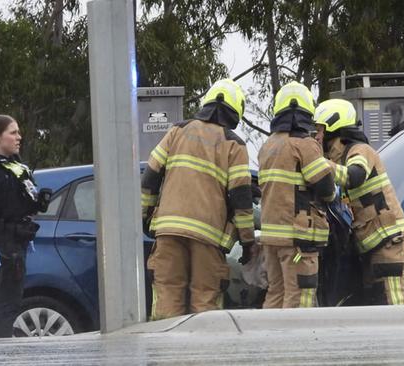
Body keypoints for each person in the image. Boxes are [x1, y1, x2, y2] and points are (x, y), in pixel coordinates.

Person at [141, 79, 255, 320]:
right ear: (235, 112)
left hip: (169, 232)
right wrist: (248, 243)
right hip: (208, 237)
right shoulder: (234, 144)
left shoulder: (177, 131)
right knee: (205, 305)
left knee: (167, 300)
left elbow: (150, 175)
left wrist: (146, 216)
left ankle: (164, 356)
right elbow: (241, 200)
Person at [314, 99, 404, 305]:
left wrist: (319, 164)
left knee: (394, 303)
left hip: (389, 242)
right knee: (375, 305)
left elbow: (355, 176)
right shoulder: (338, 158)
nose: (317, 135)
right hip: (371, 246)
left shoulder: (360, 150)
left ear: (334, 127)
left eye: (320, 129)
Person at [0, 114, 53, 338]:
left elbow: (21, 204)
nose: (19, 137)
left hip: (18, 239)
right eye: (13, 132)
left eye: (18, 132)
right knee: (7, 304)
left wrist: (38, 203)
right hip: (4, 243)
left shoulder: (16, 166)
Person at [257, 81, 336, 309]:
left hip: (272, 237)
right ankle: (293, 345)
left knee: (276, 294)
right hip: (298, 238)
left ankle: (268, 342)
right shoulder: (304, 144)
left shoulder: (268, 146)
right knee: (299, 298)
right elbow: (326, 187)